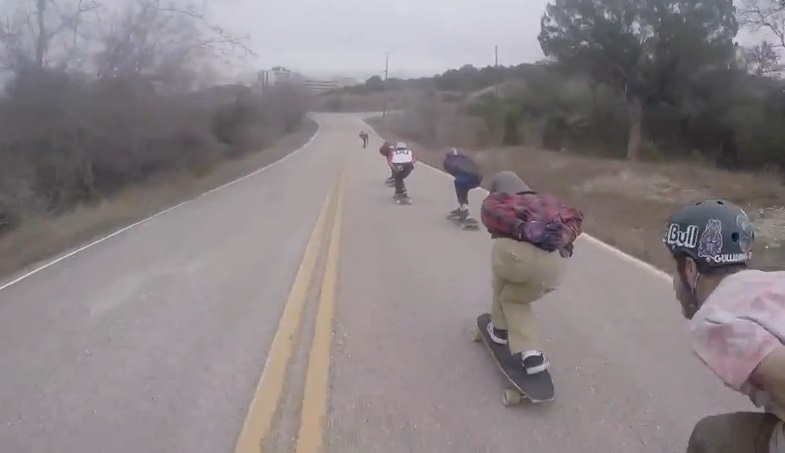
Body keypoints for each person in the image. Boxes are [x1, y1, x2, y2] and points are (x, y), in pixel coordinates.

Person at [662, 199, 785, 453]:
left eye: (675, 271)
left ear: (690, 269)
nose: (675, 284)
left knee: (709, 437)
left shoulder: (715, 318)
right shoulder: (773, 281)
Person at [479, 171, 583, 375]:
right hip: (554, 265)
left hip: (517, 259)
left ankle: (499, 330)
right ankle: (532, 355)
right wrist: (564, 235)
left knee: (502, 262)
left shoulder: (502, 199)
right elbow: (576, 217)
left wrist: (523, 228)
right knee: (515, 299)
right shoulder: (549, 201)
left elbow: (492, 213)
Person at [443, 148, 482, 221]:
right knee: (461, 186)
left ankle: (466, 213)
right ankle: (462, 208)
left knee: (459, 185)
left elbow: (451, 168)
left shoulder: (449, 161)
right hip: (477, 177)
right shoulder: (463, 158)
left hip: (468, 177)